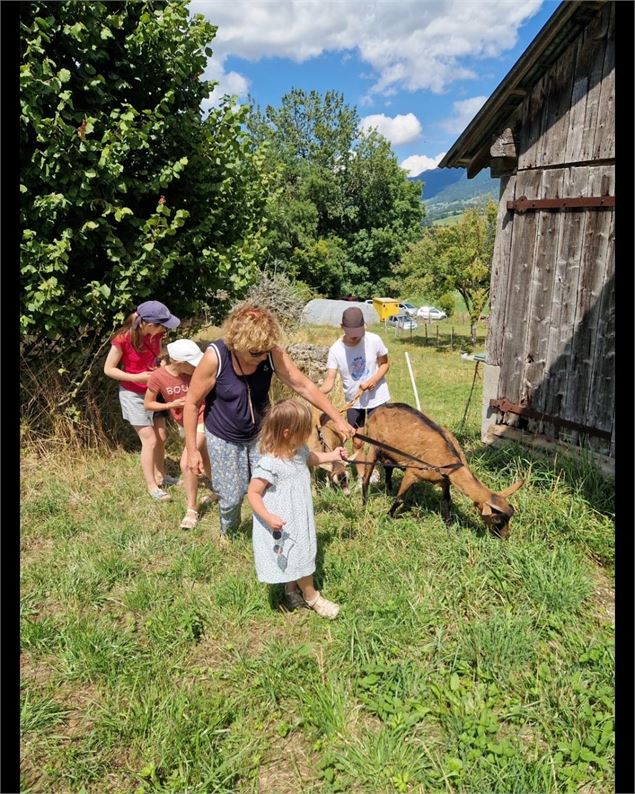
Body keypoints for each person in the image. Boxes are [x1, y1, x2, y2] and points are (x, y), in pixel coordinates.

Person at [183, 304, 355, 541]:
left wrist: (337, 418)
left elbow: (304, 386)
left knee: (270, 485)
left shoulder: (271, 353)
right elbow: (191, 404)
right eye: (256, 353)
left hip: (261, 434)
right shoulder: (216, 357)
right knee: (232, 496)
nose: (263, 357)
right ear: (237, 344)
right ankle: (229, 535)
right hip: (223, 436)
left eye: (266, 351)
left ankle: (267, 536)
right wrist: (192, 450)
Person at [247, 399, 346, 617]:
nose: (308, 436)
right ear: (286, 433)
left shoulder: (297, 450)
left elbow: (310, 458)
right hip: (283, 519)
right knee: (298, 555)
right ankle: (313, 597)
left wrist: (333, 456)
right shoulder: (269, 464)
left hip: (300, 514)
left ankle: (291, 589)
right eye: (304, 431)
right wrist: (268, 517)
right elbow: (253, 493)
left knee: (299, 553)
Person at [103, 300, 180, 501]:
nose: (165, 330)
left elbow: (157, 356)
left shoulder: (157, 334)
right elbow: (109, 369)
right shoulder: (122, 339)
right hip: (133, 394)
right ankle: (152, 486)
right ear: (149, 324)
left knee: (161, 436)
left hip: (153, 391)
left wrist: (160, 365)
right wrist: (136, 377)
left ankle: (161, 475)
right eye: (162, 326)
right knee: (150, 439)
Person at [143, 339, 216, 530]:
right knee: (204, 457)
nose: (197, 366)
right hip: (184, 423)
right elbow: (148, 404)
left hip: (203, 418)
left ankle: (191, 509)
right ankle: (222, 490)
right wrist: (171, 405)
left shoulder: (197, 372)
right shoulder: (158, 377)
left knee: (187, 462)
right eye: (192, 363)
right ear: (178, 363)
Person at [319, 306, 390, 483]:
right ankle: (362, 476)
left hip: (378, 398)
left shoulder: (374, 340)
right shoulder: (336, 350)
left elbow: (385, 364)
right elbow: (329, 381)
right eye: (351, 333)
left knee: (379, 440)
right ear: (342, 327)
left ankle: (376, 471)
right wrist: (314, 393)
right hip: (354, 402)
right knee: (357, 441)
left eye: (359, 332)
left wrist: (373, 380)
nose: (355, 337)